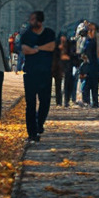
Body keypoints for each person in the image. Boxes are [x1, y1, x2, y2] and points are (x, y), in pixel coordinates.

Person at [18, 10, 57, 141]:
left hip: (45, 73)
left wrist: (36, 49)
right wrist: (39, 49)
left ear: (39, 21)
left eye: (33, 19)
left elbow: (52, 47)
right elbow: (25, 50)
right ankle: (32, 133)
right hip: (30, 73)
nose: (30, 21)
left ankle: (39, 123)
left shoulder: (49, 33)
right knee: (30, 103)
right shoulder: (26, 35)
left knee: (45, 102)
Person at [78, 21, 99, 107]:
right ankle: (86, 102)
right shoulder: (85, 40)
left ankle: (95, 102)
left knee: (94, 85)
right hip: (86, 65)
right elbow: (80, 50)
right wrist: (82, 57)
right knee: (85, 85)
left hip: (95, 65)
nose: (90, 31)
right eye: (89, 30)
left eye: (92, 30)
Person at [52, 33, 75, 107]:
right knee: (58, 86)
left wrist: (68, 57)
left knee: (67, 85)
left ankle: (66, 101)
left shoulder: (69, 44)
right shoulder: (56, 45)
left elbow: (72, 55)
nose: (63, 39)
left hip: (67, 66)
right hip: (57, 69)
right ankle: (58, 102)